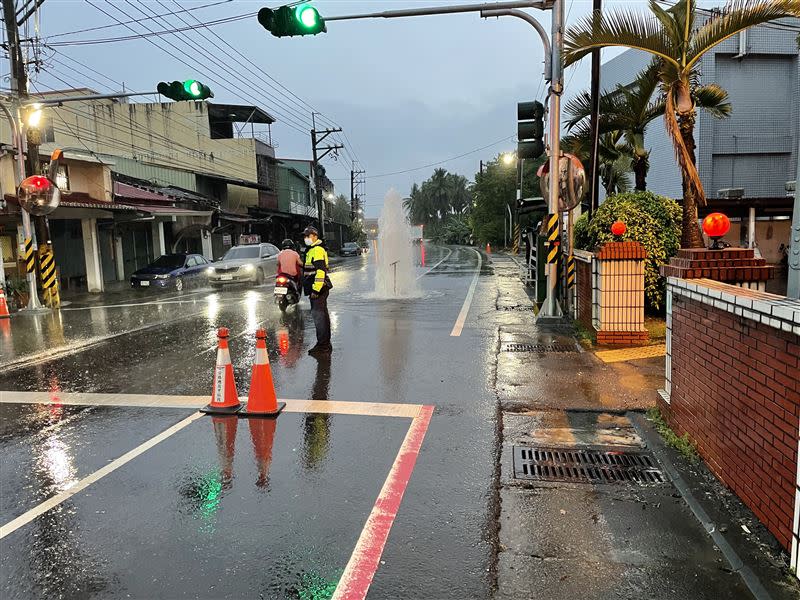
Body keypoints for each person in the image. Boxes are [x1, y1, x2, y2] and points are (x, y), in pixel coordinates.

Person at [302, 226, 332, 354]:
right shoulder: (311, 250)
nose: (306, 238)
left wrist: (315, 290)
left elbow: (320, 272)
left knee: (319, 318)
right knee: (321, 317)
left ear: (315, 236)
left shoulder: (317, 250)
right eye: (305, 236)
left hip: (318, 290)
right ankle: (324, 344)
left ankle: (323, 346)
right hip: (317, 289)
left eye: (308, 236)